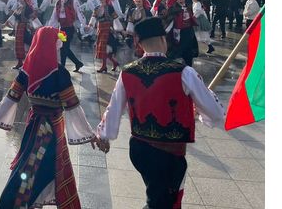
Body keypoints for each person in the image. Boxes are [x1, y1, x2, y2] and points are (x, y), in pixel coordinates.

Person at [96, 17, 225, 209]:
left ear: (139, 44)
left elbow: (114, 107)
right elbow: (215, 113)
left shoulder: (127, 72)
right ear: (164, 40)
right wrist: (201, 111)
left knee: (157, 195)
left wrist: (104, 134)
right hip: (169, 153)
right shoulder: (183, 72)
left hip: (139, 149)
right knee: (161, 202)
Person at [0, 27, 96, 208]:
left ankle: (28, 201)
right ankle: (17, 203)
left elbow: (11, 98)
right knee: (37, 167)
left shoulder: (26, 70)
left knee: (32, 164)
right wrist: (90, 133)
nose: (59, 45)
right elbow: (73, 107)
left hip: (34, 125)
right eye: (57, 42)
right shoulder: (59, 73)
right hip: (51, 128)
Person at [47, 0, 85, 72]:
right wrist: (49, 27)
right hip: (62, 28)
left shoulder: (73, 1)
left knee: (64, 47)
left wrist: (84, 25)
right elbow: (54, 16)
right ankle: (77, 63)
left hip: (69, 28)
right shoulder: (58, 2)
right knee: (63, 47)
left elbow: (79, 13)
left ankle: (63, 67)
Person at [166, 0, 199, 67]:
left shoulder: (188, 6)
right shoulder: (172, 8)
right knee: (176, 50)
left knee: (188, 51)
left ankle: (188, 67)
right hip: (177, 32)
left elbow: (192, 16)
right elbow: (168, 20)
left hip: (188, 31)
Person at [89, 0, 121, 73]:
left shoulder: (110, 7)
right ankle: (114, 63)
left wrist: (119, 29)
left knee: (105, 48)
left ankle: (104, 66)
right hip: (100, 29)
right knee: (104, 49)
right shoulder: (97, 8)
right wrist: (90, 25)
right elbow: (93, 18)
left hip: (107, 29)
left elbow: (115, 18)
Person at [7, 0, 38, 70]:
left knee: (29, 44)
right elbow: (13, 17)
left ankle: (31, 62)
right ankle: (20, 62)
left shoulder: (29, 8)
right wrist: (4, 24)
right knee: (19, 45)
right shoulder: (19, 8)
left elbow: (33, 18)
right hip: (19, 28)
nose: (20, 0)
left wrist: (35, 26)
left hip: (27, 28)